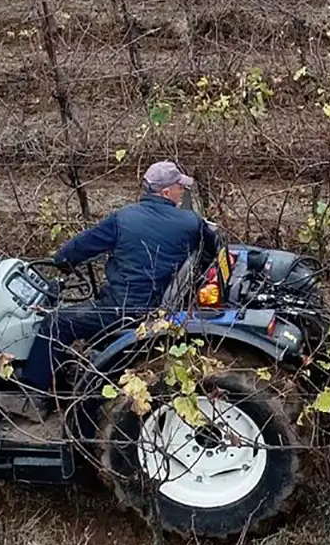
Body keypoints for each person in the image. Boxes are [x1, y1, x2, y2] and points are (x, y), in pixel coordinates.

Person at [21, 160, 222, 402]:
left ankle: (31, 396)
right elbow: (213, 253)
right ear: (166, 192)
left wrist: (62, 261)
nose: (183, 191)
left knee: (54, 323)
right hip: (159, 307)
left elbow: (80, 247)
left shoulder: (124, 218)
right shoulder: (190, 222)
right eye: (180, 186)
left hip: (123, 309)